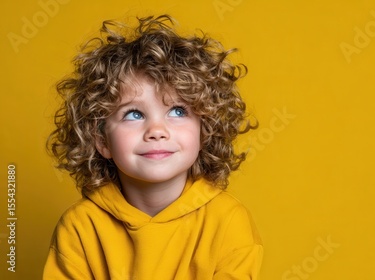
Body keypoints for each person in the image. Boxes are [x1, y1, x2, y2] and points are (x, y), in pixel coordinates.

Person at [43, 14, 263, 279]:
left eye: (178, 111)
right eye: (134, 114)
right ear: (102, 141)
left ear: (205, 130)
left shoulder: (227, 221)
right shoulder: (79, 226)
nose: (157, 131)